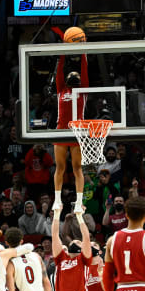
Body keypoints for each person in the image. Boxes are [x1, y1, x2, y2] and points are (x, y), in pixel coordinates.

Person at [53, 50, 88, 214]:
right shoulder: (61, 90)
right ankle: (57, 200)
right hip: (61, 130)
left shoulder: (83, 91)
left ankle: (79, 202)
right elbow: (59, 71)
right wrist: (63, 54)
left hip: (77, 132)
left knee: (77, 168)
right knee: (60, 167)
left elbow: (85, 69)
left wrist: (83, 53)